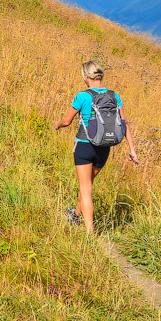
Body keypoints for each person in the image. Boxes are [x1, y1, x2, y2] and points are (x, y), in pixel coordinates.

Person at [54, 60, 139, 233]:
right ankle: (75, 214)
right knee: (88, 183)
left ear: (86, 76)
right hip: (104, 148)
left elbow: (67, 121)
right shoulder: (114, 96)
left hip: (85, 146)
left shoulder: (82, 96)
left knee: (86, 189)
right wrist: (132, 150)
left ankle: (89, 233)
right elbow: (124, 123)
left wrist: (58, 124)